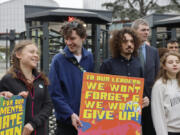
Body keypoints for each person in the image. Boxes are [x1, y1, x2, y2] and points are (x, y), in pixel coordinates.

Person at [48, 19, 94, 135]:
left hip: (86, 122)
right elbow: (54, 93)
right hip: (66, 124)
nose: (68, 43)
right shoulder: (58, 60)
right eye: (66, 39)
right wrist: (70, 114)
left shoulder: (89, 57)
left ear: (83, 37)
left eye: (72, 38)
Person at [0, 40, 53, 135]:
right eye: (31, 52)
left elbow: (48, 106)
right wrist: (8, 98)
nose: (36, 55)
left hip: (40, 132)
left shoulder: (42, 79)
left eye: (37, 53)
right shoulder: (7, 79)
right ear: (19, 55)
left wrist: (33, 124)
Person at [100, 27, 149, 108]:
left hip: (133, 115)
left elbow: (142, 90)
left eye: (132, 41)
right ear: (118, 44)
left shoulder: (138, 65)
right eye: (125, 41)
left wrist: (145, 99)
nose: (129, 44)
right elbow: (100, 93)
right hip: (113, 114)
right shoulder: (107, 64)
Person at [132, 18, 159, 135]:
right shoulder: (128, 50)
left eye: (148, 30)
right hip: (131, 99)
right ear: (134, 31)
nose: (146, 33)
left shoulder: (153, 51)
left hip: (150, 100)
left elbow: (157, 75)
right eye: (143, 30)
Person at [151, 51, 180, 135]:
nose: (175, 64)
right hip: (170, 131)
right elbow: (157, 114)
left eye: (177, 62)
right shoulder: (159, 85)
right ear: (164, 66)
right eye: (170, 62)